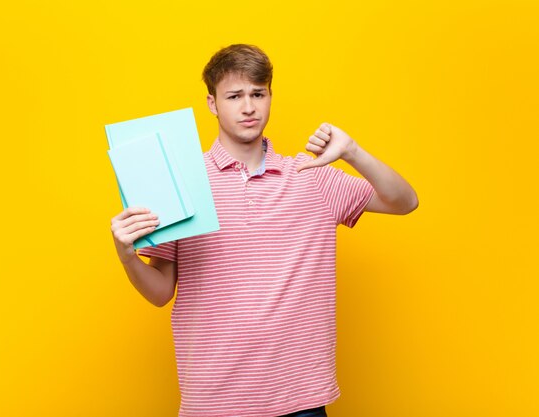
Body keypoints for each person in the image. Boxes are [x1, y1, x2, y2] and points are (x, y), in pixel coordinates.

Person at [110, 44, 418, 417]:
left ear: (271, 96)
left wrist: (352, 151)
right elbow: (160, 293)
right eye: (234, 96)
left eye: (258, 93)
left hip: (301, 397)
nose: (248, 107)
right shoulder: (182, 183)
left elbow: (404, 202)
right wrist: (126, 255)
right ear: (212, 103)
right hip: (214, 400)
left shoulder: (311, 177)